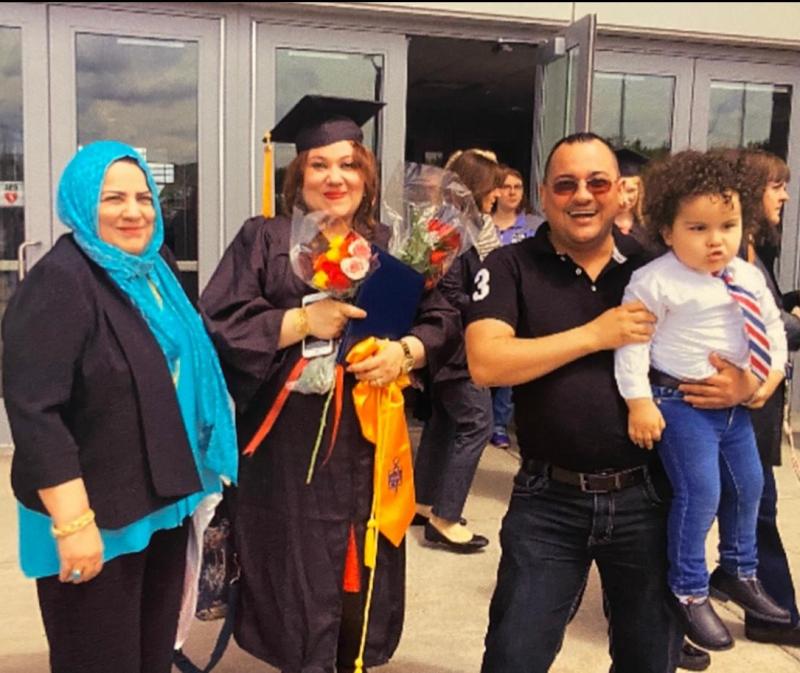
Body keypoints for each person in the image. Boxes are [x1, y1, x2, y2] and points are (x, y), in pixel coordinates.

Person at [466, 132, 758, 673]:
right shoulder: (510, 266)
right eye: (566, 184)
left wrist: (747, 386)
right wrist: (595, 334)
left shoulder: (659, 265)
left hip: (648, 498)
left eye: (597, 182)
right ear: (543, 193)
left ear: (619, 192)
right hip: (548, 499)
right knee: (514, 655)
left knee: (650, 659)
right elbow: (487, 363)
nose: (583, 195)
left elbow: (743, 338)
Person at [200, 95, 459, 673]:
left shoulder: (398, 246)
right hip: (289, 444)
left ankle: (352, 657)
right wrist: (298, 322)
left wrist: (404, 352)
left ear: (366, 174)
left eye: (347, 164)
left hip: (372, 436)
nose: (334, 177)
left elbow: (443, 319)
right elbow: (219, 321)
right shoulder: (264, 239)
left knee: (363, 550)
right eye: (319, 165)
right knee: (294, 556)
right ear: (299, 175)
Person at [2, 140, 237, 673]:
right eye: (113, 199)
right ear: (83, 202)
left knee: (152, 657)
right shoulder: (62, 281)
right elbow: (36, 412)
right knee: (99, 660)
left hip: (160, 503)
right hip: (93, 519)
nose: (133, 212)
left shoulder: (154, 271)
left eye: (144, 198)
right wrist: (73, 524)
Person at [616, 149, 791, 650]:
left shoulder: (746, 275)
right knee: (701, 494)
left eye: (728, 225)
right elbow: (632, 346)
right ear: (668, 231)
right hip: (679, 403)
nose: (716, 240)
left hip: (735, 408)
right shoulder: (654, 281)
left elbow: (772, 327)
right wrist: (639, 402)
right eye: (698, 228)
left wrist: (771, 374)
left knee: (750, 487)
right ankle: (688, 588)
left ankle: (738, 570)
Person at [412, 148, 502, 552]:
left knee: (445, 423)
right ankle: (445, 518)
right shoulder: (454, 229)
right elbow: (449, 291)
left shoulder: (448, 222)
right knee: (476, 423)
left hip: (446, 345)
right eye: (492, 188)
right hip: (458, 345)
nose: (496, 195)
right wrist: (487, 306)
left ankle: (423, 501)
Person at [732, 149, 800, 646]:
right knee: (756, 509)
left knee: (754, 509)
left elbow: (769, 313)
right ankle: (774, 614)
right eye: (777, 185)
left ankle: (763, 605)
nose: (785, 195)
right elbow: (751, 327)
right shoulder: (729, 251)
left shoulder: (754, 248)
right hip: (734, 412)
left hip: (756, 409)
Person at [488, 165, 543, 449]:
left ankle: (499, 422)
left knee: (511, 368)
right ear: (495, 191)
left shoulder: (534, 227)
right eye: (506, 186)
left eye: (517, 187)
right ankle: (483, 419)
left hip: (522, 305)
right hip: (487, 303)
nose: (512, 192)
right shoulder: (481, 224)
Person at [613, 147, 649, 238]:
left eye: (631, 190)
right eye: (618, 190)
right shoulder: (600, 228)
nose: (624, 199)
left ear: (640, 190)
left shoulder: (649, 227)